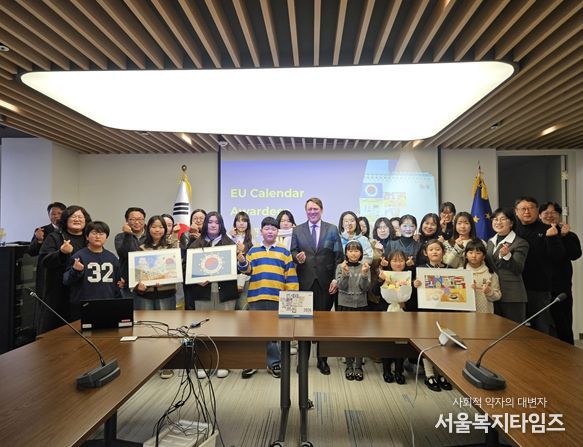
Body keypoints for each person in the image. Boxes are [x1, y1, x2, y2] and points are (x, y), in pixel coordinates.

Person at [237, 217, 299, 379]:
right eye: (267, 228)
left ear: (277, 232)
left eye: (273, 229)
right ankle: (253, 362)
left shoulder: (284, 251)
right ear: (261, 231)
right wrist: (242, 261)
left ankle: (274, 363)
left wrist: (291, 299)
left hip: (277, 299)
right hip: (256, 297)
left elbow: (291, 277)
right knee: (255, 332)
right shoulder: (253, 250)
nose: (270, 231)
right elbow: (246, 270)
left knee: (273, 333)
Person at [291, 197, 343, 375]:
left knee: (323, 324)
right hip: (304, 282)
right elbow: (293, 250)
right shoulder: (297, 230)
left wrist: (336, 279)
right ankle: (303, 361)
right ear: (306, 211)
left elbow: (338, 257)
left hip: (325, 283)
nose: (312, 212)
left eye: (315, 209)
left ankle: (322, 360)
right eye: (309, 209)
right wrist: (297, 257)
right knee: (303, 324)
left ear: (321, 210)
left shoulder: (332, 229)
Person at [184, 212, 238, 379]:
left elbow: (237, 268)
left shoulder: (230, 244)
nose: (213, 225)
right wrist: (196, 279)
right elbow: (186, 268)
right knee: (203, 329)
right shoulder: (195, 244)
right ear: (205, 224)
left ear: (221, 225)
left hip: (225, 293)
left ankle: (223, 363)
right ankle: (203, 363)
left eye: (217, 222)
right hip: (202, 293)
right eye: (210, 222)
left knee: (225, 328)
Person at [514, 197, 564, 334]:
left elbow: (558, 257)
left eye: (531, 208)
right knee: (517, 328)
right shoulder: (512, 231)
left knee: (541, 327)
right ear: (516, 212)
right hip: (516, 287)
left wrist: (552, 239)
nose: (527, 211)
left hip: (539, 288)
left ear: (537, 211)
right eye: (523, 209)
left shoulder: (548, 229)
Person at [38, 205, 91, 333]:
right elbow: (44, 261)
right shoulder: (55, 237)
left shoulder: (89, 238)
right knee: (56, 333)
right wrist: (61, 252)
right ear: (65, 219)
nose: (77, 219)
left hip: (83, 292)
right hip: (59, 293)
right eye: (73, 216)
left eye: (80, 217)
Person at [539, 201, 581, 344]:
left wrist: (564, 236)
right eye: (546, 213)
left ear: (559, 215)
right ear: (540, 215)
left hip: (561, 287)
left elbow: (575, 254)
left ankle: (567, 353)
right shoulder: (536, 233)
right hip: (539, 287)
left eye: (554, 213)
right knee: (542, 325)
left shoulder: (569, 234)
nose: (550, 216)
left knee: (563, 323)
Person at [413, 239, 452, 392]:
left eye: (438, 249)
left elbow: (453, 291)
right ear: (425, 253)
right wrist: (415, 285)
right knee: (428, 342)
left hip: (446, 311)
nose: (434, 252)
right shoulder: (421, 270)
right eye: (431, 249)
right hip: (426, 311)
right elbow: (414, 294)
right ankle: (429, 375)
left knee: (445, 343)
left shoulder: (452, 269)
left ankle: (443, 373)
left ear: (443, 252)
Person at [63, 221, 124, 317]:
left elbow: (117, 282)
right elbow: (66, 280)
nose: (98, 236)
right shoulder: (78, 256)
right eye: (94, 233)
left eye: (101, 234)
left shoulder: (112, 258)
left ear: (106, 237)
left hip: (108, 304)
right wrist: (75, 270)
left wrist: (121, 284)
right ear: (87, 237)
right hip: (84, 306)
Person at [372, 249, 411, 384]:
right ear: (389, 262)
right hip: (385, 312)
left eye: (401, 260)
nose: (398, 263)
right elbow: (374, 292)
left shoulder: (409, 275)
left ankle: (399, 371)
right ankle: (386, 370)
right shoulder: (385, 274)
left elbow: (415, 298)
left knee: (401, 342)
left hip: (403, 313)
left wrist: (405, 304)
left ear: (405, 262)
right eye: (394, 260)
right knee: (387, 342)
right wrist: (380, 280)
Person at [486, 208, 529, 323]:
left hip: (512, 295)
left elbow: (518, 269)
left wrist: (507, 256)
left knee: (514, 330)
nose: (498, 222)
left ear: (511, 223)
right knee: (495, 329)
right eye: (495, 219)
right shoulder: (490, 241)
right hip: (494, 293)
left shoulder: (520, 243)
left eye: (503, 219)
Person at [335, 241, 370, 381]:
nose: (353, 254)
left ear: (361, 253)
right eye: (350, 251)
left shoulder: (365, 266)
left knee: (360, 337)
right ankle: (349, 366)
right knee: (347, 336)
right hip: (345, 305)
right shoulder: (340, 266)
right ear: (346, 253)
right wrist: (345, 273)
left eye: (356, 251)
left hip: (361, 305)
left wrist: (364, 274)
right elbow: (341, 286)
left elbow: (365, 288)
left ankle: (358, 366)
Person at [132, 215, 179, 311]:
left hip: (166, 294)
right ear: (148, 229)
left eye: (161, 227)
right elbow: (137, 274)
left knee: (167, 320)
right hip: (145, 295)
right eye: (153, 227)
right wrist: (138, 287)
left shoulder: (170, 248)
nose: (157, 230)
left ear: (165, 229)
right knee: (146, 320)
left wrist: (165, 280)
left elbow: (175, 270)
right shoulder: (141, 248)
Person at [115, 207, 147, 298]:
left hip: (148, 281)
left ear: (144, 220)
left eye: (140, 219)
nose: (136, 222)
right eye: (132, 219)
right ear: (126, 221)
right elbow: (124, 254)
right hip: (127, 284)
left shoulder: (150, 235)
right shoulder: (120, 237)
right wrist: (128, 235)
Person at [464, 239, 501, 314]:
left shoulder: (491, 274)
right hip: (465, 315)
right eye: (470, 253)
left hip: (485, 314)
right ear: (465, 255)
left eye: (478, 253)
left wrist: (489, 292)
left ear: (484, 256)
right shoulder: (461, 272)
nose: (474, 256)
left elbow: (497, 296)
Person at [367, 217, 393, 311]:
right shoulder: (371, 244)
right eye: (379, 227)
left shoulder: (395, 243)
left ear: (390, 229)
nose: (382, 230)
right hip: (375, 285)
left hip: (392, 285)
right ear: (376, 230)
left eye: (385, 227)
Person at [230, 211, 254, 310]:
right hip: (231, 277)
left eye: (244, 221)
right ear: (235, 223)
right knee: (231, 307)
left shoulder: (252, 238)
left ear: (248, 224)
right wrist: (231, 238)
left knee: (242, 307)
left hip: (246, 278)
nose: (241, 223)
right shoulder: (228, 237)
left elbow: (253, 258)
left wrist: (245, 249)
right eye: (238, 221)